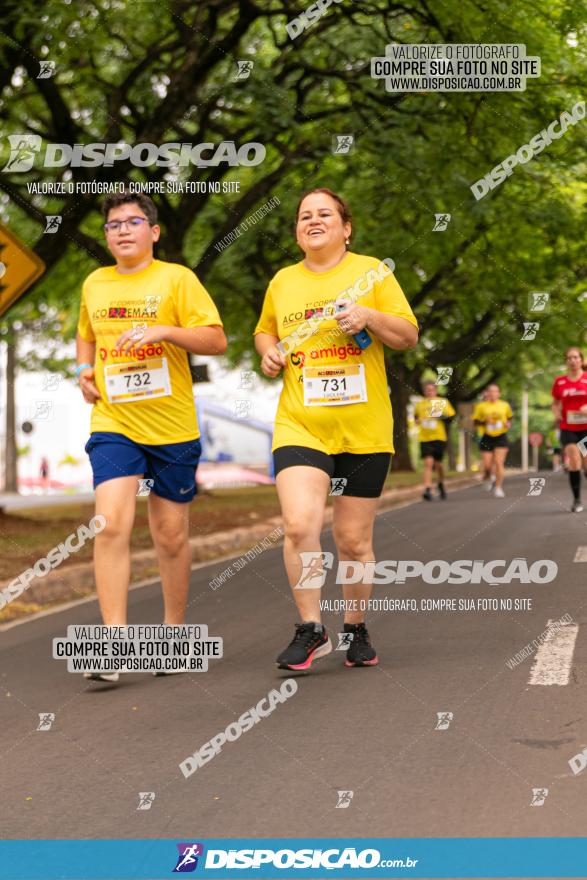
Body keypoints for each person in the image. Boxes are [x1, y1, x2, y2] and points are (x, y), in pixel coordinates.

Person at [254, 187, 418, 671]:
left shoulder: (373, 272)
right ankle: (310, 629)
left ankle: (355, 627)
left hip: (364, 429)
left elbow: (407, 335)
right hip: (300, 424)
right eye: (305, 215)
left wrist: (368, 315)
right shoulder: (283, 281)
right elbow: (265, 329)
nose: (313, 220)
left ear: (346, 228)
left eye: (325, 213)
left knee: (352, 541)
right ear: (297, 232)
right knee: (300, 524)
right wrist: (267, 350)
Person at [76, 189, 226, 681]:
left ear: (154, 232)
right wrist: (83, 368)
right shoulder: (95, 283)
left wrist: (164, 331)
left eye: (132, 222)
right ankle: (114, 646)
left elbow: (216, 340)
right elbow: (86, 333)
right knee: (111, 523)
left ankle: (173, 634)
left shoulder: (177, 279)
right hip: (115, 422)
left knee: (170, 536)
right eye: (113, 224)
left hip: (172, 426)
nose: (121, 230)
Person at [551, 347, 587, 512]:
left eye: (576, 357)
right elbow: (555, 403)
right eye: (569, 358)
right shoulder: (560, 381)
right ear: (566, 361)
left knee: (586, 464)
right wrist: (557, 413)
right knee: (574, 460)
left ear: (581, 360)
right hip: (568, 427)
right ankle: (577, 500)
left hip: (586, 428)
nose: (573, 360)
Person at [413, 381, 455, 500]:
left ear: (435, 390)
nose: (429, 392)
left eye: (432, 389)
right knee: (428, 463)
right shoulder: (420, 404)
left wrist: (440, 415)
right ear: (424, 391)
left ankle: (440, 483)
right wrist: (417, 421)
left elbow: (451, 418)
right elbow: (415, 417)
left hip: (439, 437)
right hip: (424, 437)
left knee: (438, 465)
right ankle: (427, 489)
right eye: (427, 390)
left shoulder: (442, 402)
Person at [472, 384, 512, 498]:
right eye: (491, 391)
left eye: (496, 391)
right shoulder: (481, 406)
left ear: (499, 393)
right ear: (487, 393)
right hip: (487, 436)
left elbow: (509, 418)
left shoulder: (504, 405)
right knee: (487, 466)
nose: (493, 394)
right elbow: (475, 422)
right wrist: (485, 422)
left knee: (499, 463)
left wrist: (508, 424)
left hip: (501, 436)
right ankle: (488, 477)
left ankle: (498, 487)